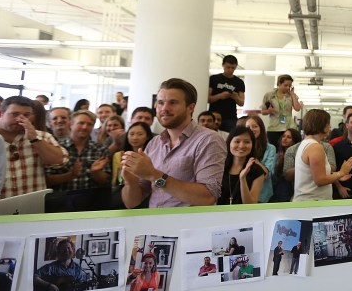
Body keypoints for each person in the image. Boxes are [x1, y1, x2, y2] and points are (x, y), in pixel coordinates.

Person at [121, 78, 226, 208]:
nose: (164, 108)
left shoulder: (208, 140)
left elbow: (208, 197)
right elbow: (132, 202)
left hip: (188, 226)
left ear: (190, 108)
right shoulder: (154, 143)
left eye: (173, 102)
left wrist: (155, 175)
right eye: (160, 102)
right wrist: (130, 183)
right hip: (155, 224)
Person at [0, 96, 67, 199]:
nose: (20, 119)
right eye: (15, 114)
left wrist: (35, 139)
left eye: (26, 115)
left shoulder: (41, 136)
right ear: (0, 113)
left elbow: (59, 162)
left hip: (33, 206)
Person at [290, 109, 352, 201]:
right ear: (322, 125)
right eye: (328, 124)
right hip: (312, 203)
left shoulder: (306, 143)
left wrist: (338, 176)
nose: (330, 126)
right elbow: (320, 180)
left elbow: (314, 175)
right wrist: (341, 172)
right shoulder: (315, 147)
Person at [47, 110, 111, 192]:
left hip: (91, 200)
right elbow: (47, 180)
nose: (85, 127)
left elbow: (106, 181)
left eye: (89, 124)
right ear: (71, 124)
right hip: (61, 199)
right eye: (81, 123)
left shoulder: (100, 149)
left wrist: (96, 172)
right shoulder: (56, 148)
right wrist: (70, 175)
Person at [218, 126, 266, 205]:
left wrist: (242, 178)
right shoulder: (219, 167)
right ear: (229, 143)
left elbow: (251, 205)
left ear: (252, 145)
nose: (241, 146)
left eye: (247, 142)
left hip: (245, 216)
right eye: (237, 141)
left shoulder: (258, 171)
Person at [259, 75, 304, 147]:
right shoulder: (269, 95)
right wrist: (269, 111)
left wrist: (292, 95)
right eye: (285, 85)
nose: (288, 88)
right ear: (279, 84)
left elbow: (297, 108)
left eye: (290, 86)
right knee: (275, 149)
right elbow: (263, 111)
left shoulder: (291, 95)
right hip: (274, 128)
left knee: (288, 150)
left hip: (288, 127)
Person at [208, 55, 245, 132]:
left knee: (229, 138)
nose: (230, 70)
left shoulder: (239, 82)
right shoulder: (214, 79)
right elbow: (208, 99)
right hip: (214, 115)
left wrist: (235, 97)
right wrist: (220, 96)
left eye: (233, 68)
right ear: (223, 65)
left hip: (230, 117)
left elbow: (241, 103)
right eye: (228, 67)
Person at [332, 112, 352, 198]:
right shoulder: (337, 146)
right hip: (342, 192)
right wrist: (339, 188)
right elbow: (332, 171)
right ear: (347, 125)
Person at [244, 115, 276, 203]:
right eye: (248, 127)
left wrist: (255, 161)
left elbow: (268, 174)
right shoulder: (241, 147)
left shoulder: (270, 148)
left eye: (255, 126)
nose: (251, 129)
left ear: (261, 128)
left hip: (263, 195)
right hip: (244, 192)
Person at [111, 122, 154, 187]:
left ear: (147, 136)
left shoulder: (152, 155)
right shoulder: (119, 155)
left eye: (140, 134)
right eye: (131, 134)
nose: (135, 138)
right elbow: (115, 181)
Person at [272, 128, 300, 202]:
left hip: (289, 189)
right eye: (284, 136)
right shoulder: (277, 155)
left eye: (289, 137)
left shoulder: (297, 156)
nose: (285, 139)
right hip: (275, 189)